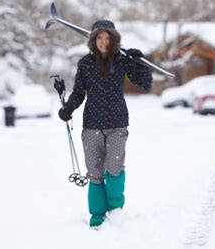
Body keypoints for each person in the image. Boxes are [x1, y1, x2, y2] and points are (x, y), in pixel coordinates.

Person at [58, 19, 152, 228]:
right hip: (92, 124)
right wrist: (68, 109)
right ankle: (98, 213)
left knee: (115, 167)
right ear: (93, 40)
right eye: (99, 38)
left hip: (117, 123)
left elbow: (145, 84)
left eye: (108, 38)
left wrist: (140, 62)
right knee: (94, 170)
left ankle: (116, 208)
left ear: (114, 40)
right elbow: (80, 92)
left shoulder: (122, 61)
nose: (103, 42)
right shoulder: (85, 63)